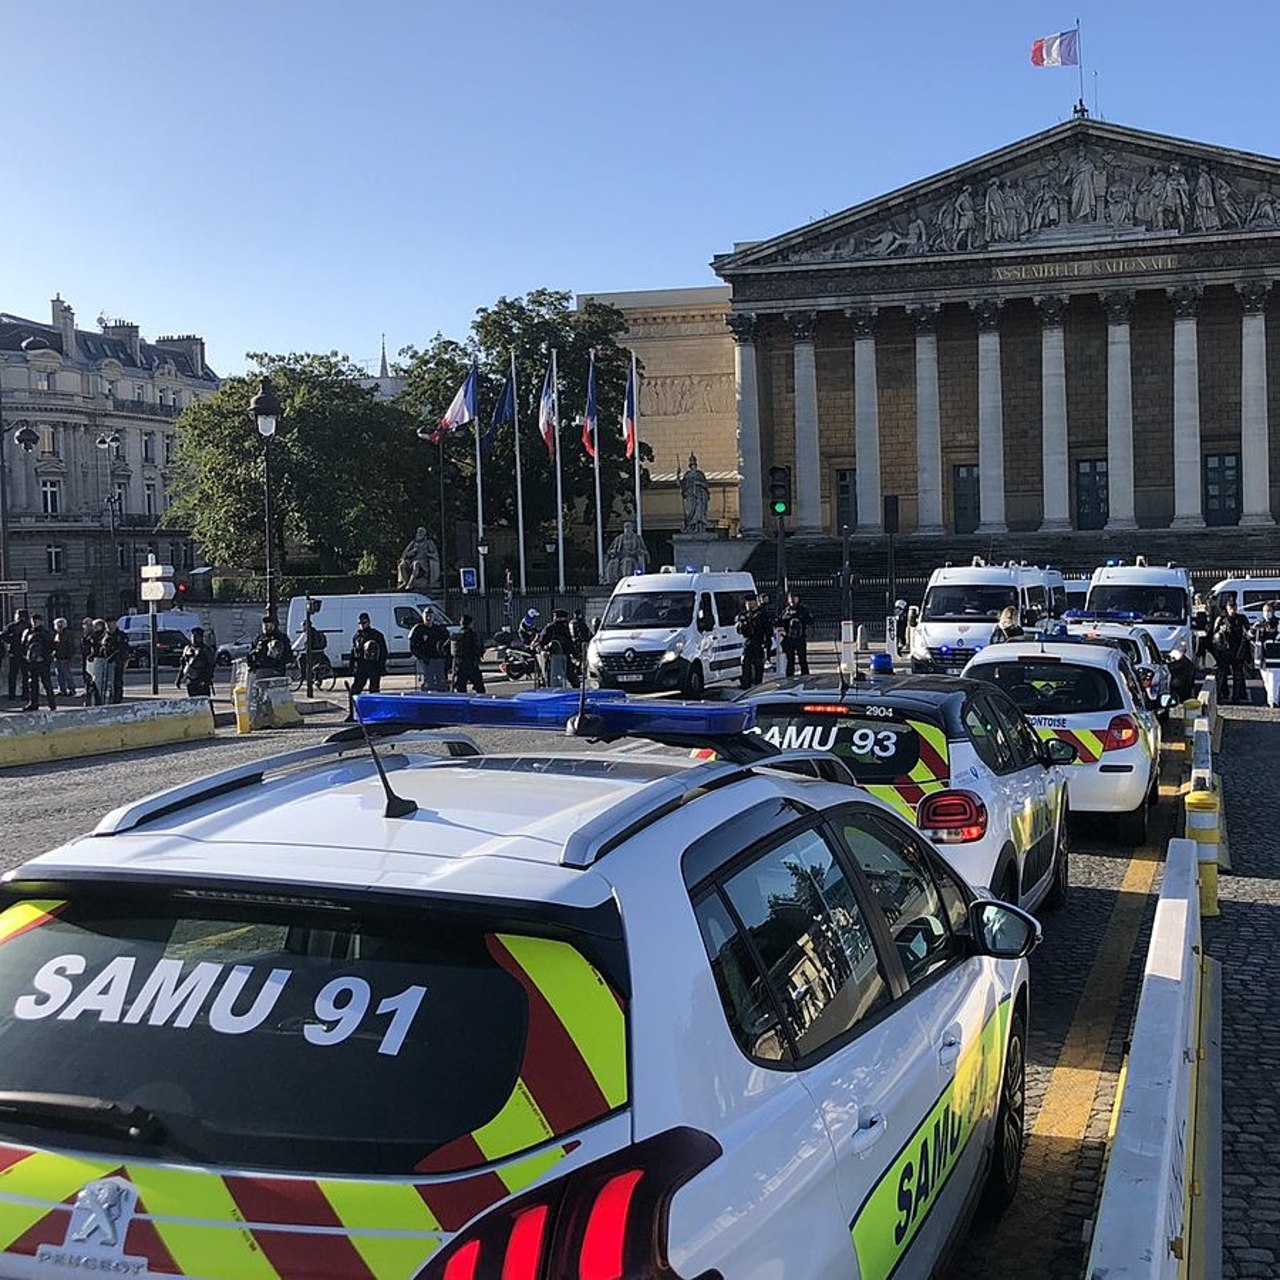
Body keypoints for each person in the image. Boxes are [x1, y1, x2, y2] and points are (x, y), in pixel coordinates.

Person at [344, 613, 388, 720]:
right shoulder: (357, 636)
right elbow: (353, 652)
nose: (362, 625)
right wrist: (351, 667)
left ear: (369, 622)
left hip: (374, 667)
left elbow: (384, 652)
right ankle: (352, 714)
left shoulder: (377, 635)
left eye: (364, 623)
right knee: (355, 691)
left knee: (374, 691)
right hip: (361, 667)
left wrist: (381, 667)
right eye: (360, 623)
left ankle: (375, 714)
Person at [1211, 599, 1250, 704]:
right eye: (1230, 607)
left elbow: (1248, 634)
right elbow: (1214, 636)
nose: (1232, 610)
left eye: (1234, 607)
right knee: (1221, 674)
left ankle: (1236, 696)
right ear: (1227, 608)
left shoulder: (1241, 619)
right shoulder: (1221, 619)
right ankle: (1220, 695)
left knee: (1237, 674)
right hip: (1224, 651)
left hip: (1237, 649)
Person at [408, 607, 450, 692]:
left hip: (438, 661)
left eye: (430, 616)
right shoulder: (418, 629)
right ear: (423, 616)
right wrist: (422, 657)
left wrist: (445, 658)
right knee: (428, 682)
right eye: (426, 616)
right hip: (425, 662)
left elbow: (446, 643)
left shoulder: (438, 629)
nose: (428, 618)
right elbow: (413, 647)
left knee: (441, 683)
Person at [21, 614, 56, 712]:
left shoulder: (45, 633)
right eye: (33, 621)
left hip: (43, 662)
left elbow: (51, 647)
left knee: (46, 682)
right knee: (33, 683)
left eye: (36, 621)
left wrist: (45, 658)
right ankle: (33, 703)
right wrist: (26, 656)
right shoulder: (28, 632)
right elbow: (24, 645)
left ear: (41, 621)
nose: (34, 623)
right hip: (32, 662)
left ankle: (51, 703)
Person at [777, 592, 813, 678]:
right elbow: (779, 622)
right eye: (790, 598)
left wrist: (800, 617)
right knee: (790, 660)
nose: (792, 600)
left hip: (800, 638)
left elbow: (810, 621)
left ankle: (805, 677)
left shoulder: (802, 610)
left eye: (794, 597)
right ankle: (789, 677)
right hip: (789, 639)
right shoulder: (785, 611)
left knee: (802, 659)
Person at [537, 609, 575, 689]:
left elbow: (541, 642)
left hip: (560, 655)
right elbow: (542, 642)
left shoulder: (552, 627)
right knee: (558, 675)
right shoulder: (555, 628)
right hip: (556, 656)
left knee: (556, 676)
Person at [736, 597, 767, 689]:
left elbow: (767, 631)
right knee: (745, 663)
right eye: (747, 603)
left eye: (750, 603)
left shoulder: (761, 615)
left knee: (758, 665)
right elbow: (740, 630)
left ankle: (758, 685)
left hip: (758, 642)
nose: (748, 605)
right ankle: (746, 685)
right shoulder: (744, 615)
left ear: (755, 603)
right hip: (748, 642)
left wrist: (766, 645)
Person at [176, 627, 215, 699]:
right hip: (190, 680)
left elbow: (211, 666)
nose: (194, 638)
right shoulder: (187, 649)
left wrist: (206, 679)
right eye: (193, 636)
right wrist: (179, 679)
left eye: (196, 636)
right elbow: (183, 665)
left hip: (202, 679)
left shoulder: (205, 650)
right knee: (193, 701)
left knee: (205, 701)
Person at [451, 614, 486, 693]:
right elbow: (478, 648)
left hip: (458, 664)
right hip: (471, 663)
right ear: (470, 623)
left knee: (460, 689)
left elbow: (447, 649)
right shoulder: (472, 635)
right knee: (479, 687)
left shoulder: (455, 635)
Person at [4, 609, 29, 701]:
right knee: (25, 675)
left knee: (12, 675)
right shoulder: (28, 626)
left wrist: (11, 640)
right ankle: (25, 694)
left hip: (14, 652)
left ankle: (12, 694)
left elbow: (4, 636)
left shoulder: (11, 626)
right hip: (25, 653)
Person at [102, 619, 130, 704]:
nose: (109, 627)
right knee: (107, 681)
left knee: (117, 681)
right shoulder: (105, 635)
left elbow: (122, 648)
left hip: (117, 661)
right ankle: (108, 698)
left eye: (111, 625)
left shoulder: (121, 635)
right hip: (106, 662)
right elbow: (103, 647)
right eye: (107, 626)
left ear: (115, 624)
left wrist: (114, 657)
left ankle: (117, 698)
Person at [83, 619, 108, 707]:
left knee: (98, 682)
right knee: (91, 682)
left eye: (98, 625)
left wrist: (93, 654)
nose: (96, 628)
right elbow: (86, 646)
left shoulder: (104, 635)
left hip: (100, 660)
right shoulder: (91, 635)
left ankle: (99, 700)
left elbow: (97, 648)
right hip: (92, 661)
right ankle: (91, 701)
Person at [52, 618, 77, 697]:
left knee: (67, 674)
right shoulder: (56, 634)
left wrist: (69, 656)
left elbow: (71, 646)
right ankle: (62, 690)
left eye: (61, 624)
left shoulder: (68, 634)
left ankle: (72, 689)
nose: (59, 626)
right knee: (59, 674)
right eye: (58, 625)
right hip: (57, 656)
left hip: (65, 657)